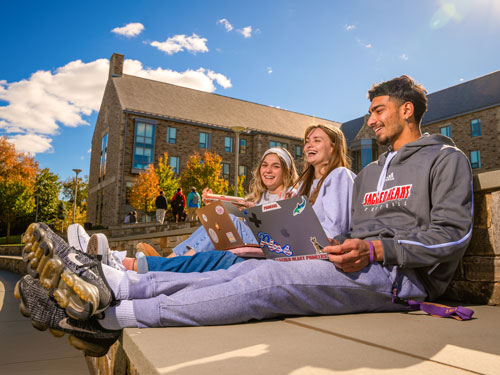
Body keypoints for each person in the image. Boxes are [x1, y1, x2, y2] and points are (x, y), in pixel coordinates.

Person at [15, 75, 473, 359]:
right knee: (248, 267)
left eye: (378, 111)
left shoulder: (443, 160)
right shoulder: (373, 170)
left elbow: (450, 235)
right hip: (356, 263)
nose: (370, 121)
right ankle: (112, 285)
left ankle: (112, 317)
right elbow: (341, 230)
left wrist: (376, 249)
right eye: (370, 112)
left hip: (402, 280)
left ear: (406, 109)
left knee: (265, 284)